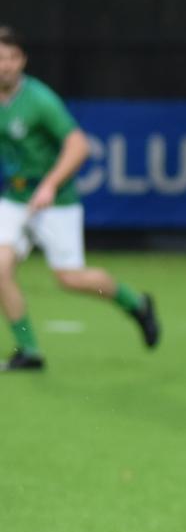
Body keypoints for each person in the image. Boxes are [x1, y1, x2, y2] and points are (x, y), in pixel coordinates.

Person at [0, 27, 161, 371]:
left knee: (69, 278)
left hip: (54, 200)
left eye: (13, 58)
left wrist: (49, 185)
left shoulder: (40, 100)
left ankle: (136, 304)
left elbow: (79, 145)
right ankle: (29, 350)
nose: (6, 66)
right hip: (14, 197)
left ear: (23, 61)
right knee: (0, 270)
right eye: (1, 59)